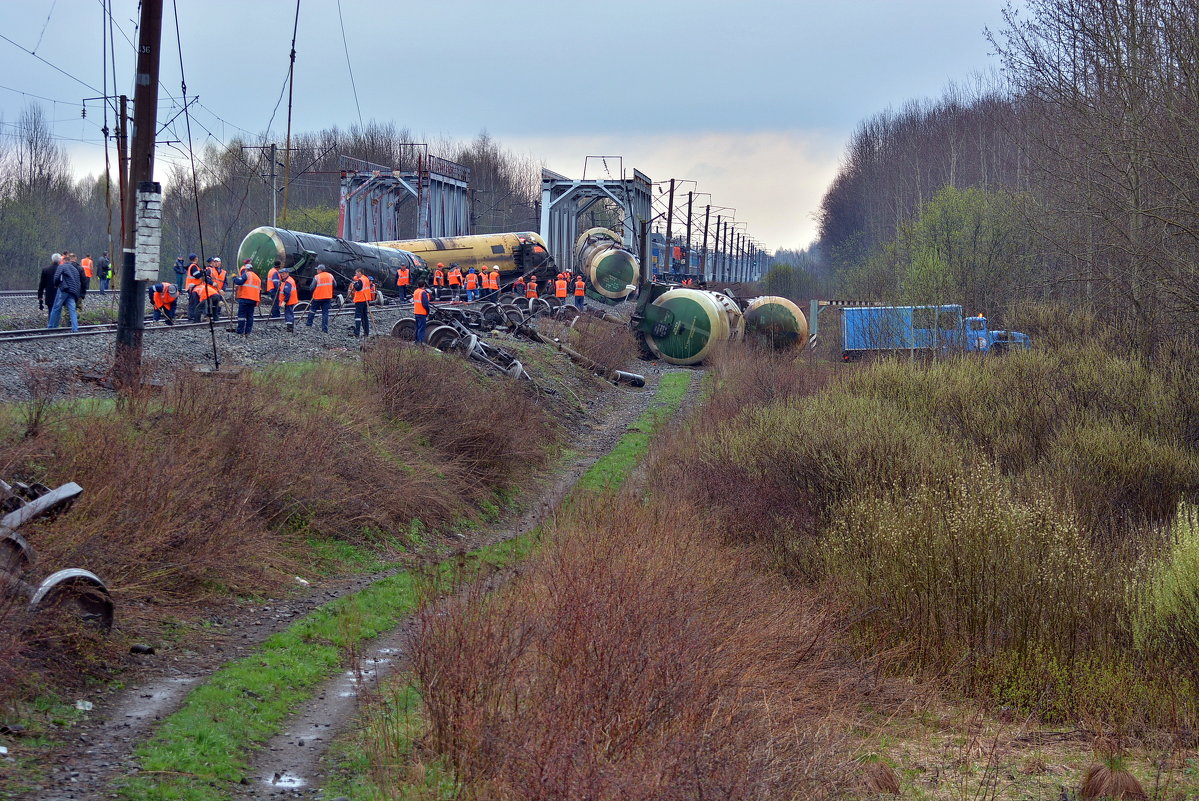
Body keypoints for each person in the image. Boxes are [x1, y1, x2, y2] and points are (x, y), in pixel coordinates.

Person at [47, 253, 82, 332]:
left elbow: (56, 277)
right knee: (72, 310)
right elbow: (78, 281)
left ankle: (50, 327)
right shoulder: (74, 269)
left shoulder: (62, 266)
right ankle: (75, 329)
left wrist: (56, 285)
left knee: (55, 308)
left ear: (64, 260)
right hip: (72, 292)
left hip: (64, 290)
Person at [232, 260, 262, 336]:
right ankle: (248, 332)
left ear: (246, 269)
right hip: (254, 299)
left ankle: (240, 331)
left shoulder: (247, 275)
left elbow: (239, 282)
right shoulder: (258, 278)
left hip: (245, 298)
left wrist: (234, 278)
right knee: (250, 316)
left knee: (241, 315)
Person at [306, 264, 335, 332]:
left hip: (318, 297)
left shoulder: (317, 277)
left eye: (317, 269)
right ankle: (325, 329)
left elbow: (311, 287)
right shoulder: (330, 276)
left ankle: (309, 324)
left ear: (320, 270)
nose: (316, 271)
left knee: (312, 310)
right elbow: (335, 284)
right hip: (327, 297)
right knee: (325, 313)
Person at [351, 268, 373, 337]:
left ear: (360, 273)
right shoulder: (366, 279)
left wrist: (355, 285)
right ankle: (366, 332)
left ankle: (357, 332)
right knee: (364, 316)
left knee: (358, 316)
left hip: (360, 299)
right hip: (366, 299)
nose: (356, 274)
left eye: (356, 273)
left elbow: (358, 288)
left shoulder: (361, 280)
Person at [278, 266, 298, 332]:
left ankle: (289, 329)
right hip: (290, 300)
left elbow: (287, 293)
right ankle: (290, 328)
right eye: (281, 274)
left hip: (289, 301)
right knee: (290, 313)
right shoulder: (288, 280)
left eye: (283, 273)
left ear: (287, 273)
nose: (282, 275)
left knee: (288, 314)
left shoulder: (288, 282)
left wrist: (284, 301)